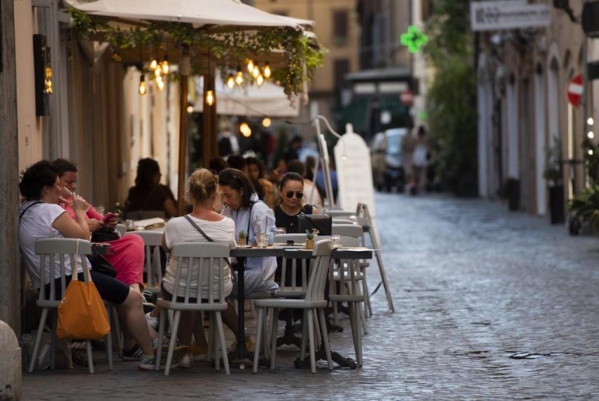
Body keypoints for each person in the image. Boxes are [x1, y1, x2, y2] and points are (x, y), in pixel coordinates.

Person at [18, 160, 159, 371]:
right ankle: (149, 355)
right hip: (73, 282)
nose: (62, 189)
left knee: (122, 296)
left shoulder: (25, 210)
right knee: (134, 297)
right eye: (58, 184)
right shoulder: (50, 211)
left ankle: (156, 343)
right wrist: (79, 211)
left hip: (46, 287)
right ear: (46, 188)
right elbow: (83, 237)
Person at [160, 168, 243, 368]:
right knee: (200, 287)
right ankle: (240, 339)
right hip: (217, 290)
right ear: (215, 195)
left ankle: (185, 348)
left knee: (186, 288)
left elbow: (165, 246)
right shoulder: (228, 225)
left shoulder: (174, 224)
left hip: (180, 289)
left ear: (190, 194)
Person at [52, 159, 147, 298]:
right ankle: (132, 293)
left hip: (95, 251)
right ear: (56, 182)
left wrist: (107, 221)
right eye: (69, 182)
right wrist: (87, 226)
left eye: (75, 182)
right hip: (80, 257)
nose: (73, 186)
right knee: (129, 250)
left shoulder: (75, 200)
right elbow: (73, 231)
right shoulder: (55, 208)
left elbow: (99, 217)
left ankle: (134, 289)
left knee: (135, 240)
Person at [218, 168, 278, 289]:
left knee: (213, 286)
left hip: (258, 273)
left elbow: (267, 242)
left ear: (241, 191)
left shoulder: (259, 210)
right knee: (210, 283)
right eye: (222, 196)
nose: (225, 200)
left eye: (228, 195)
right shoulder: (227, 210)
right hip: (236, 270)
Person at [412, 126, 430, 194]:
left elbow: (413, 146)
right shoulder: (426, 138)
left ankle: (415, 184)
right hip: (423, 153)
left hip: (417, 153)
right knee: (423, 172)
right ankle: (423, 186)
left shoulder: (415, 138)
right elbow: (428, 147)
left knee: (415, 171)